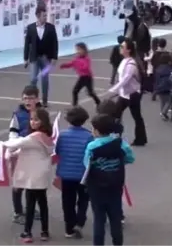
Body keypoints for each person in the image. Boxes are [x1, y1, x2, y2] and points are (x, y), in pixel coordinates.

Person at [2, 108, 54, 242]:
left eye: (36, 119)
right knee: (43, 203)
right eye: (31, 119)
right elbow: (29, 149)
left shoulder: (33, 137)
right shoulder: (46, 137)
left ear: (43, 121)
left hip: (32, 176)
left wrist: (3, 145)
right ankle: (44, 231)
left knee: (30, 204)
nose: (32, 122)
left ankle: (27, 232)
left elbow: (15, 144)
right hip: (42, 174)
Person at [84, 114, 135, 246]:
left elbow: (86, 165)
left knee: (99, 219)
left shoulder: (92, 146)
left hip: (96, 188)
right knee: (115, 219)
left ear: (96, 130)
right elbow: (130, 159)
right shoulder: (121, 144)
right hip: (115, 186)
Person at [55, 106, 92, 239]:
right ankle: (80, 222)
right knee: (83, 200)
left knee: (67, 201)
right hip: (83, 174)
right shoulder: (89, 136)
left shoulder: (62, 135)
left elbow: (58, 152)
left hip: (66, 173)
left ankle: (69, 228)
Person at [8, 85, 42, 224]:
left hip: (35, 153)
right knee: (18, 184)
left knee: (31, 183)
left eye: (31, 98)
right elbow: (13, 132)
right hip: (20, 152)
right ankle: (17, 212)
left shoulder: (41, 113)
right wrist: (13, 147)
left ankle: (30, 208)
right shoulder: (17, 114)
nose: (28, 101)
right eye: (25, 98)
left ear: (37, 99)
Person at [112, 40, 147, 146]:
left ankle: (140, 139)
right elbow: (121, 78)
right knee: (116, 114)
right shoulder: (124, 60)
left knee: (136, 116)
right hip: (125, 94)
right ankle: (117, 136)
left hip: (132, 95)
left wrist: (114, 89)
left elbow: (126, 79)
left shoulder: (131, 63)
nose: (120, 48)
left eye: (123, 47)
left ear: (129, 50)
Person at [23, 6, 59, 108]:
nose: (45, 17)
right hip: (34, 57)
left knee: (45, 79)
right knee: (33, 79)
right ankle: (33, 100)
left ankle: (44, 101)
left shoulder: (50, 28)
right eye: (44, 15)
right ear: (38, 16)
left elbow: (55, 43)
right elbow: (27, 44)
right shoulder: (30, 28)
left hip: (46, 57)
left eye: (46, 15)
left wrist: (54, 57)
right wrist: (25, 58)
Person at [154, 52, 172, 121]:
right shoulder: (169, 69)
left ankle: (162, 113)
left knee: (162, 101)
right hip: (167, 87)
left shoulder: (158, 68)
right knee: (169, 101)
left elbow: (156, 79)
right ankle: (164, 112)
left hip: (159, 87)